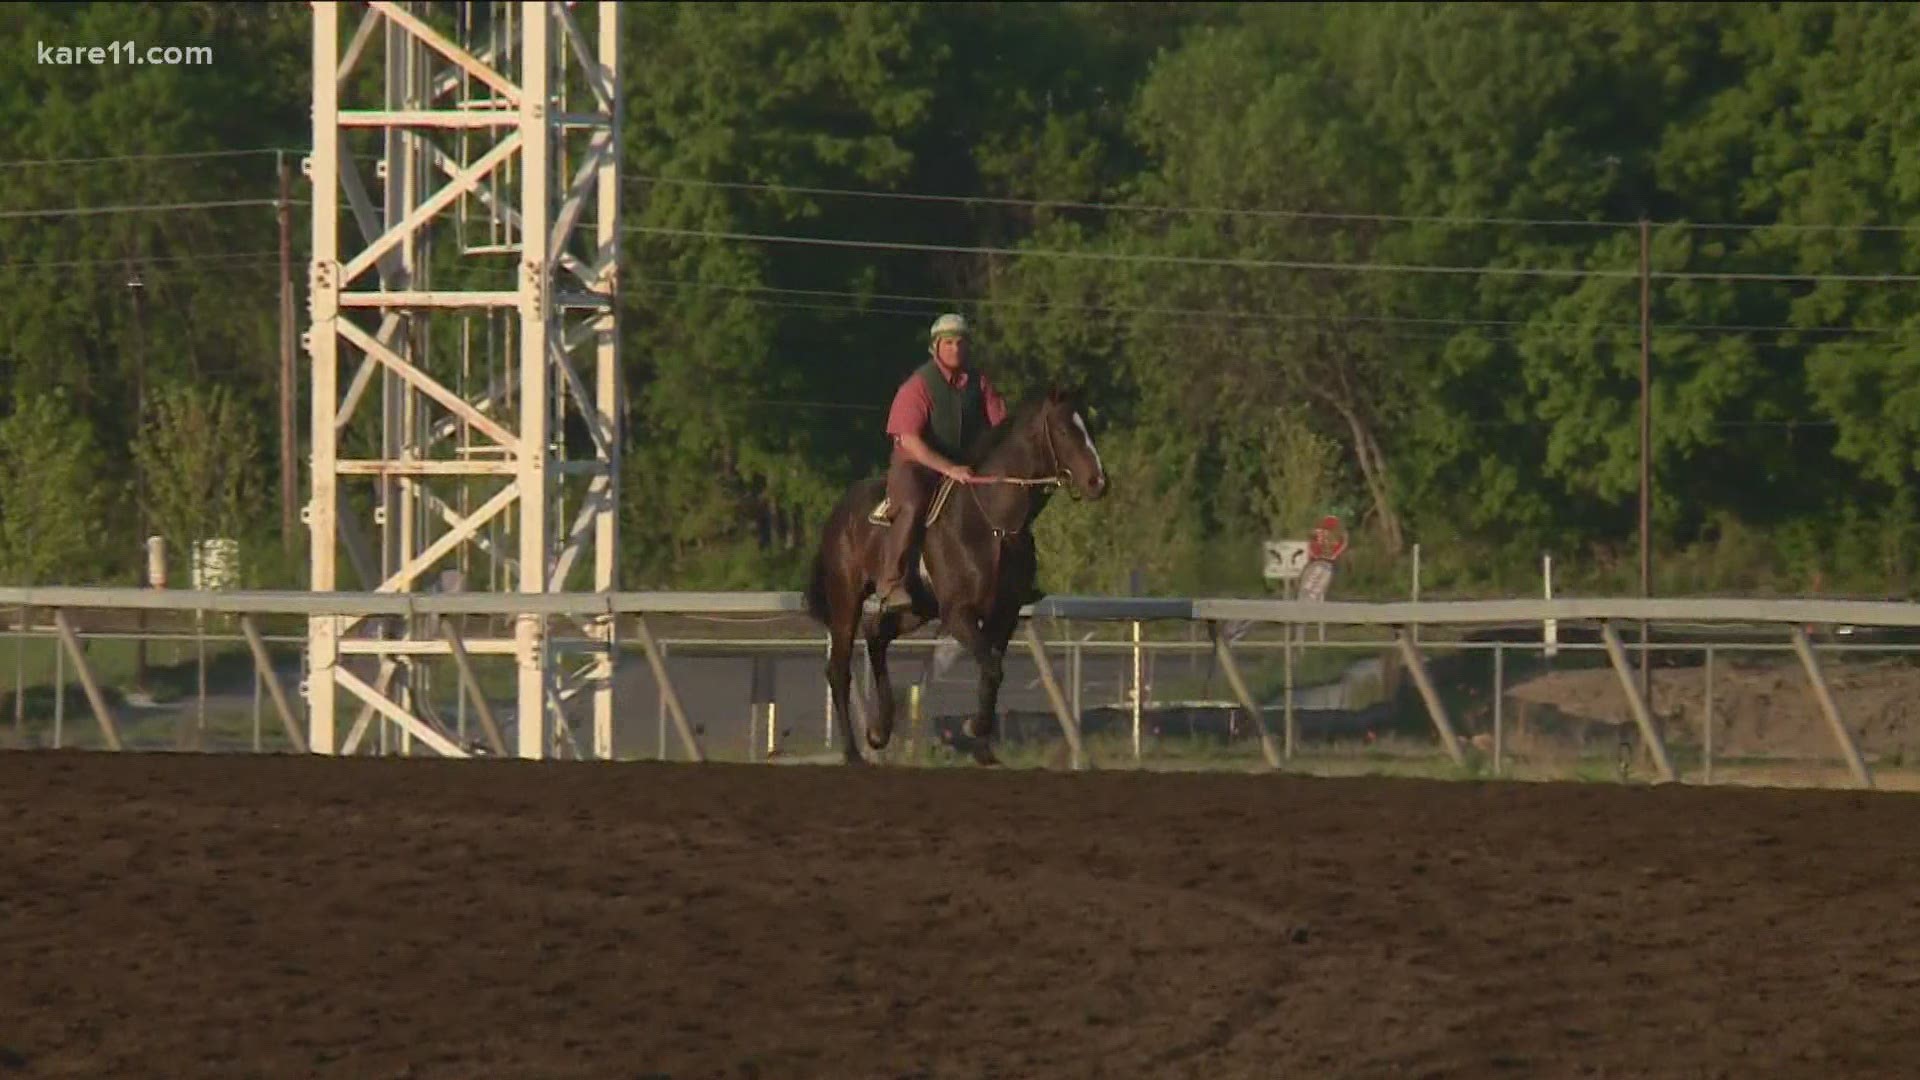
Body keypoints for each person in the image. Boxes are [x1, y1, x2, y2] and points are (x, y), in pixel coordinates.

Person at [870, 312, 1008, 611]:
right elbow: (909, 440)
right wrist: (948, 468)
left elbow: (1001, 427)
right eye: (948, 343)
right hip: (916, 467)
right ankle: (891, 581)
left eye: (960, 342)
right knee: (912, 503)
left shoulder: (980, 383)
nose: (955, 349)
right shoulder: (917, 386)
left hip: (964, 468)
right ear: (935, 347)